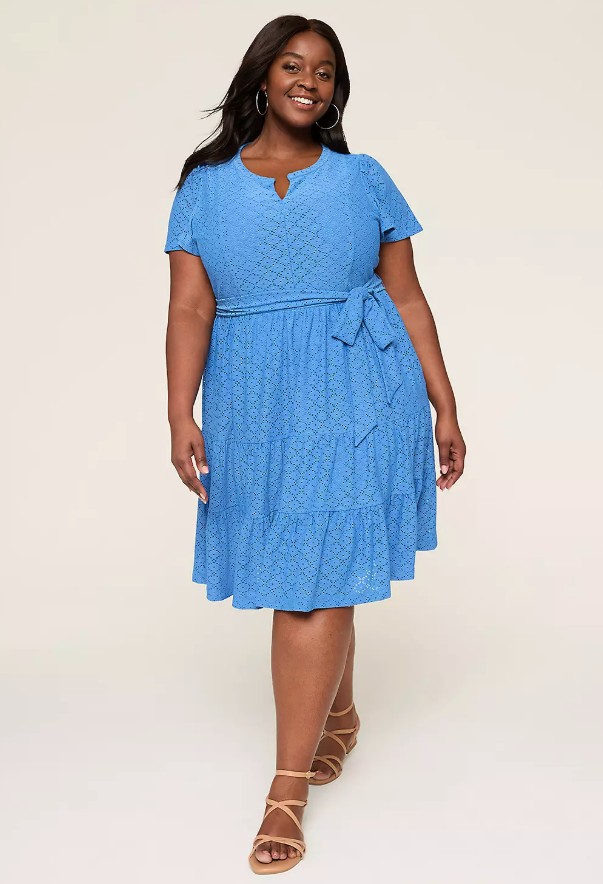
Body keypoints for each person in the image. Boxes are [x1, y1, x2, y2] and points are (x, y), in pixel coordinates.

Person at [163, 14, 466, 875]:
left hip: (363, 392)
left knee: (312, 578)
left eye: (325, 71)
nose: (309, 81)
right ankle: (338, 716)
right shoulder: (203, 187)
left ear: (336, 91)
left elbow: (407, 298)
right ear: (262, 78)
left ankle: (285, 790)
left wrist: (443, 404)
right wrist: (179, 413)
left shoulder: (363, 178)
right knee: (316, 566)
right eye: (293, 66)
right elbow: (190, 306)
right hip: (255, 402)